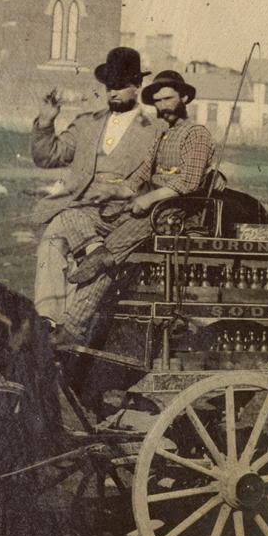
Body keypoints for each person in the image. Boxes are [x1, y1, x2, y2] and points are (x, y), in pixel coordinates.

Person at [31, 46, 162, 344]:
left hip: (124, 215)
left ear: (137, 86)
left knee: (71, 230)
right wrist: (45, 121)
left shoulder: (155, 130)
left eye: (120, 86)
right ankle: (49, 321)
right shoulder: (87, 123)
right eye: (109, 86)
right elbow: (49, 156)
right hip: (82, 209)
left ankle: (75, 326)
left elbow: (168, 172)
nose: (113, 93)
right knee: (52, 238)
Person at [64, 68, 216, 291]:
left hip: (171, 213)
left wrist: (148, 199)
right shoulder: (162, 133)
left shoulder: (197, 133)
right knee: (72, 210)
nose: (162, 106)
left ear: (184, 98)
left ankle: (73, 325)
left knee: (102, 269)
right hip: (148, 209)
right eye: (157, 101)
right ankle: (97, 251)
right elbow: (141, 175)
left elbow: (189, 182)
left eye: (168, 99)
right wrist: (112, 191)